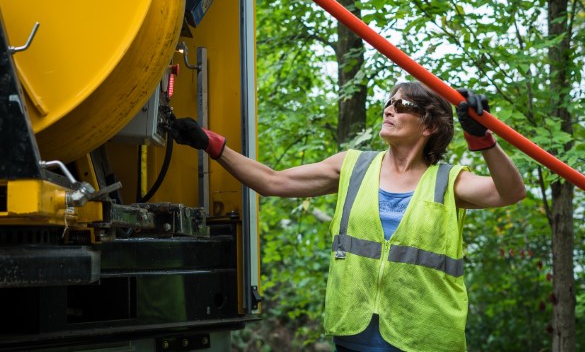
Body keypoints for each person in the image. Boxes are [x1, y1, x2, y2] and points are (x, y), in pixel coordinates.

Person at [171, 81, 525, 352]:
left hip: (425, 337)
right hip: (354, 335)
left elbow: (510, 192)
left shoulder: (449, 180)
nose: (388, 109)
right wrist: (211, 144)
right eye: (388, 102)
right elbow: (271, 181)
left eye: (400, 105)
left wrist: (480, 138)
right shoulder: (353, 165)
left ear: (429, 125)